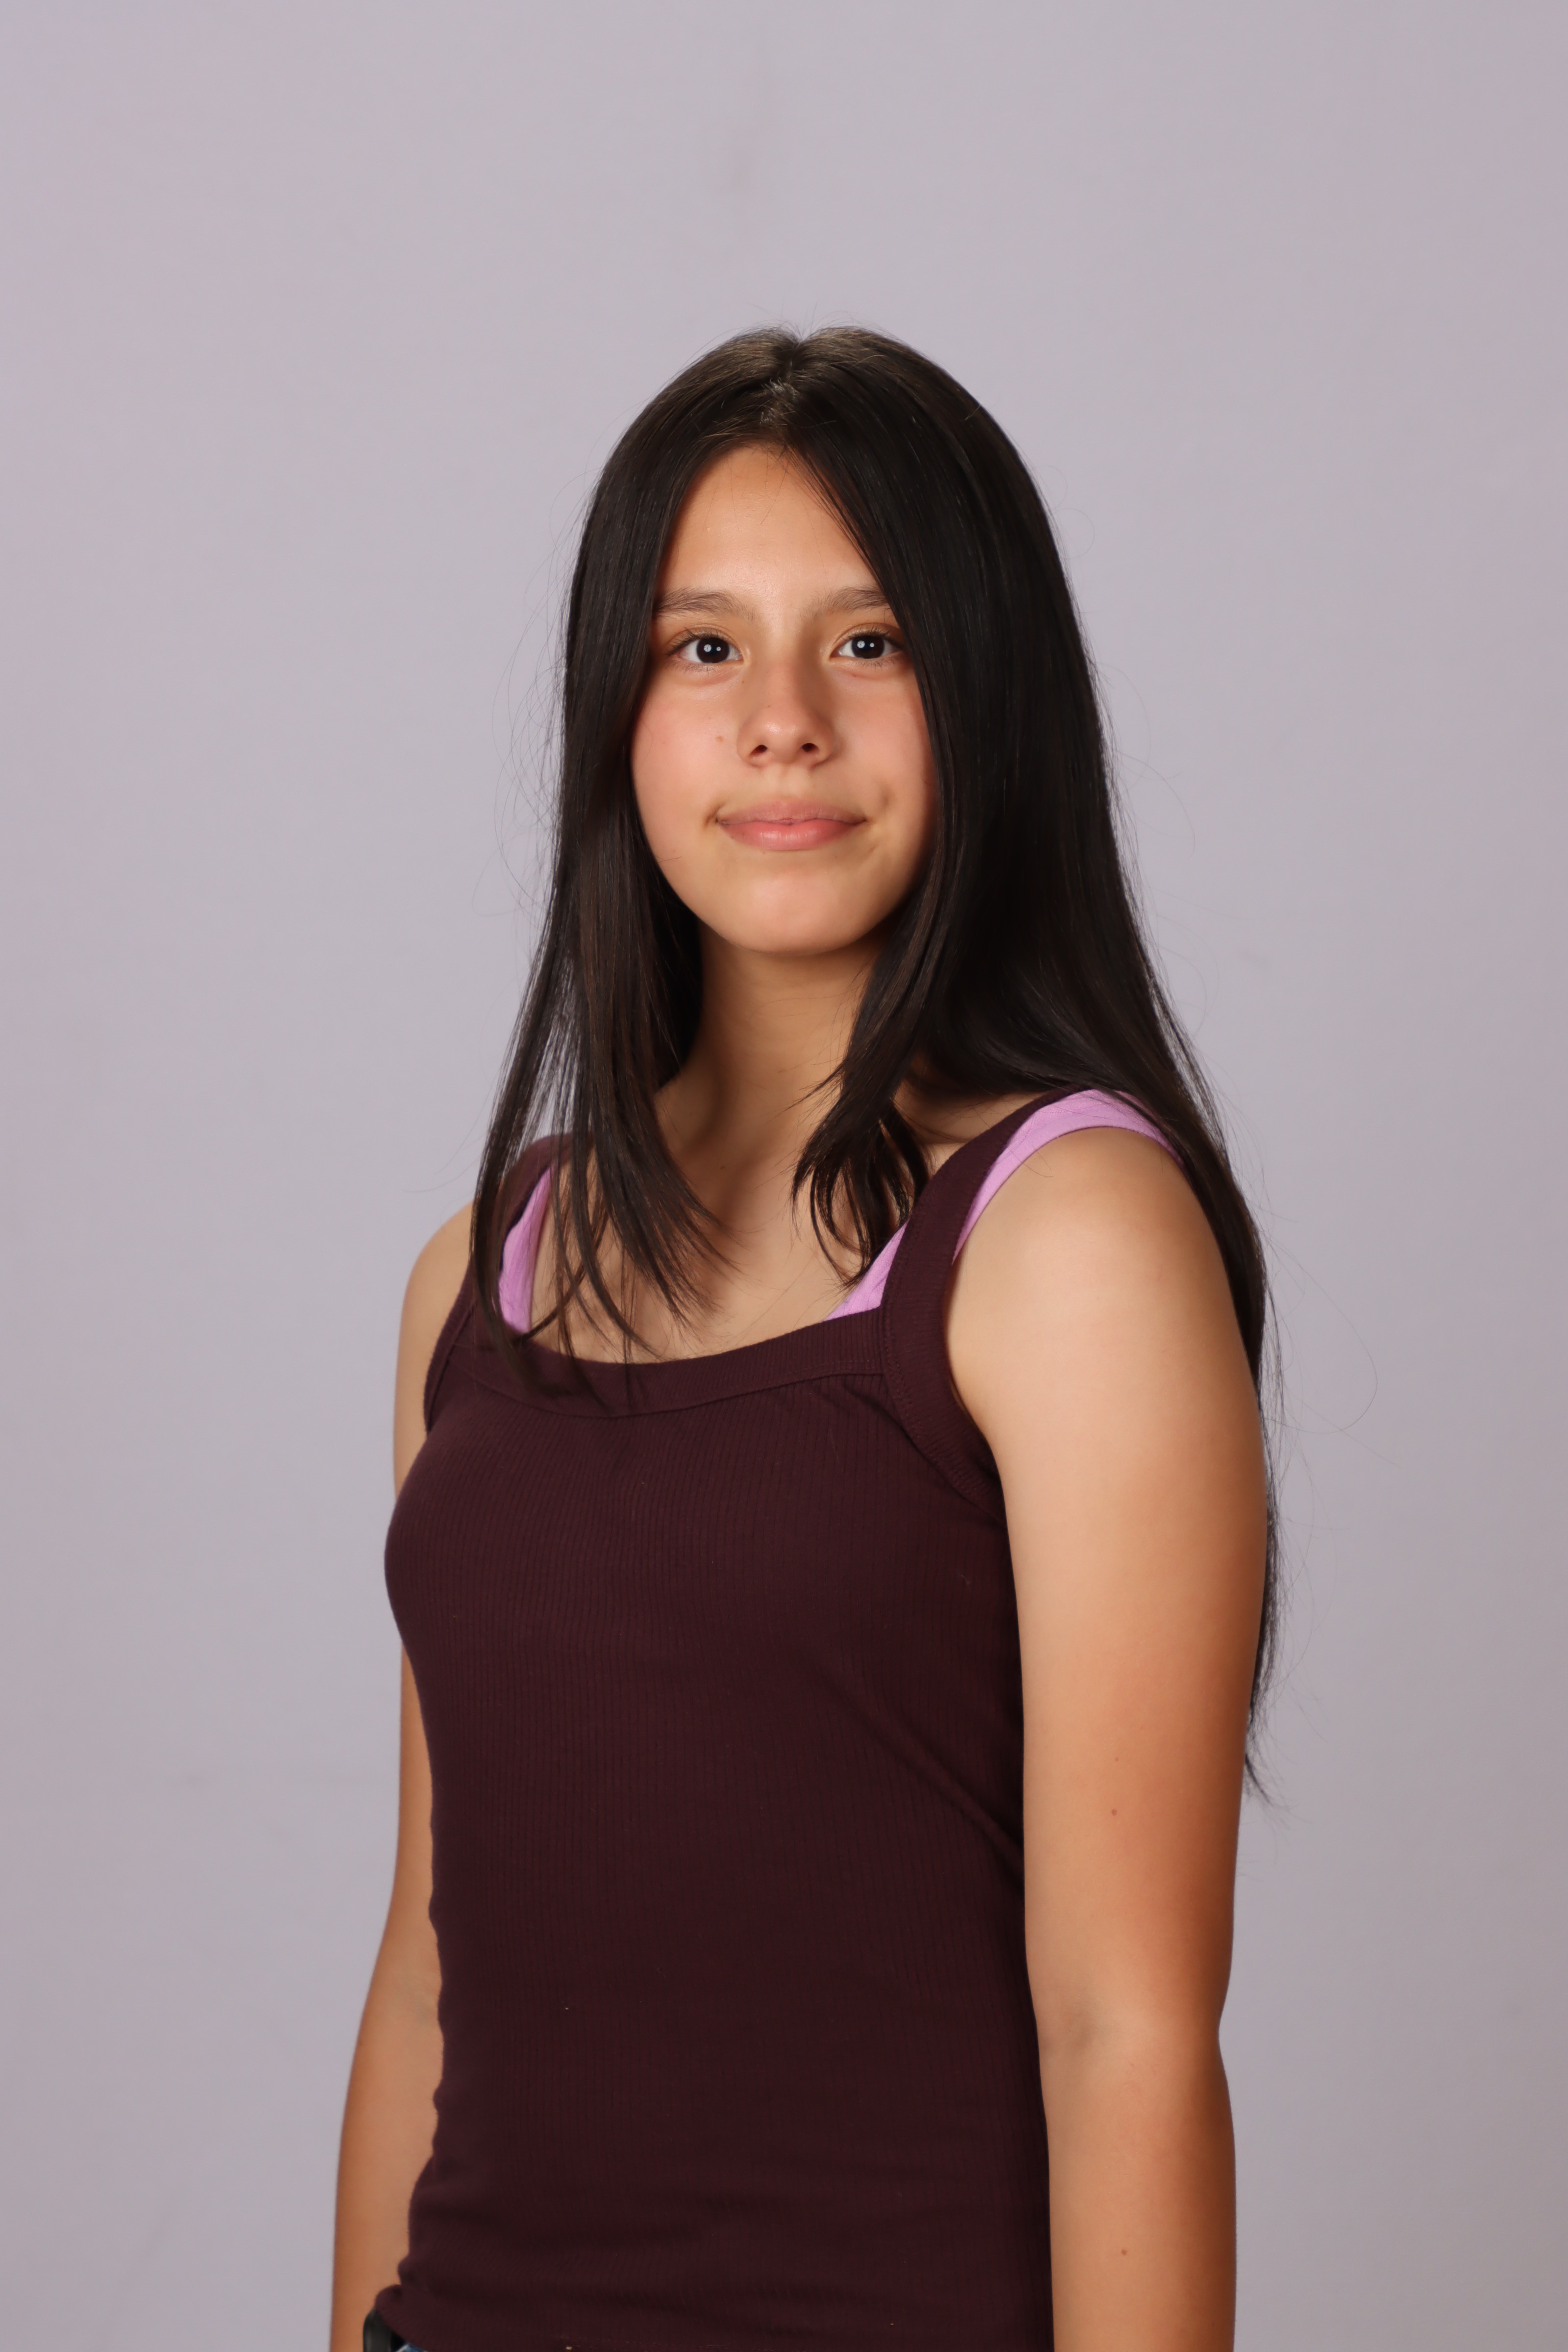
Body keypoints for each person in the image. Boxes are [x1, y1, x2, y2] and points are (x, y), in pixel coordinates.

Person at [329, 326, 1274, 2352]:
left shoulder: (1066, 1241)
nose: (781, 724)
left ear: (988, 694)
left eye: (868, 643)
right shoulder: (476, 1275)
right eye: (702, 648)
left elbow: (1125, 2032)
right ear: (615, 715)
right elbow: (423, 1971)